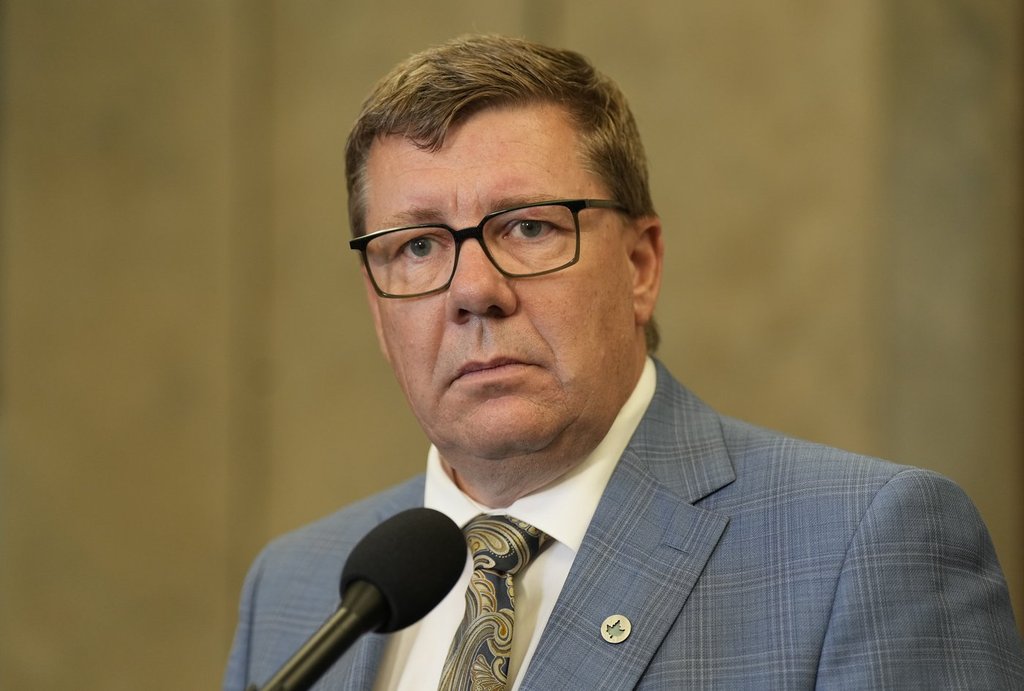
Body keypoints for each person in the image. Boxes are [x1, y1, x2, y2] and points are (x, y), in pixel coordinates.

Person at [224, 34, 1023, 690]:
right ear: (376, 303)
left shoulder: (866, 545)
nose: (474, 289)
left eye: (529, 228)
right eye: (418, 245)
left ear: (640, 265)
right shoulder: (297, 587)